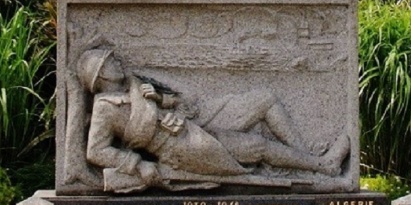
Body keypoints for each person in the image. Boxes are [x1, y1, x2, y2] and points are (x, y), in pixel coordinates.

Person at [76, 47, 350, 192]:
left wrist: (161, 99)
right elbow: (96, 151)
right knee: (257, 147)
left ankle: (310, 161)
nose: (117, 62)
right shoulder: (105, 108)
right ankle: (323, 167)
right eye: (110, 62)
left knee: (264, 101)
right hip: (180, 147)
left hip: (193, 120)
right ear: (101, 76)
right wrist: (136, 165)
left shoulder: (135, 84)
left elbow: (174, 101)